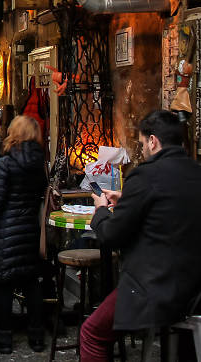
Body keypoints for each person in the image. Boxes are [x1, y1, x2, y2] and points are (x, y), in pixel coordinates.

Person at [81, 110, 201, 361]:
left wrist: (102, 211)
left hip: (154, 287)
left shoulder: (146, 175)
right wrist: (128, 198)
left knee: (92, 333)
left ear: (153, 141)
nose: (143, 148)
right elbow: (171, 205)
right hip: (193, 287)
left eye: (143, 142)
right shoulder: (195, 172)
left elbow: (112, 236)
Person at [0, 114, 47, 354]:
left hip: (4, 233)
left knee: (2, 285)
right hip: (29, 229)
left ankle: (4, 339)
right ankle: (37, 337)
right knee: (31, 284)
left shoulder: (6, 164)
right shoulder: (39, 164)